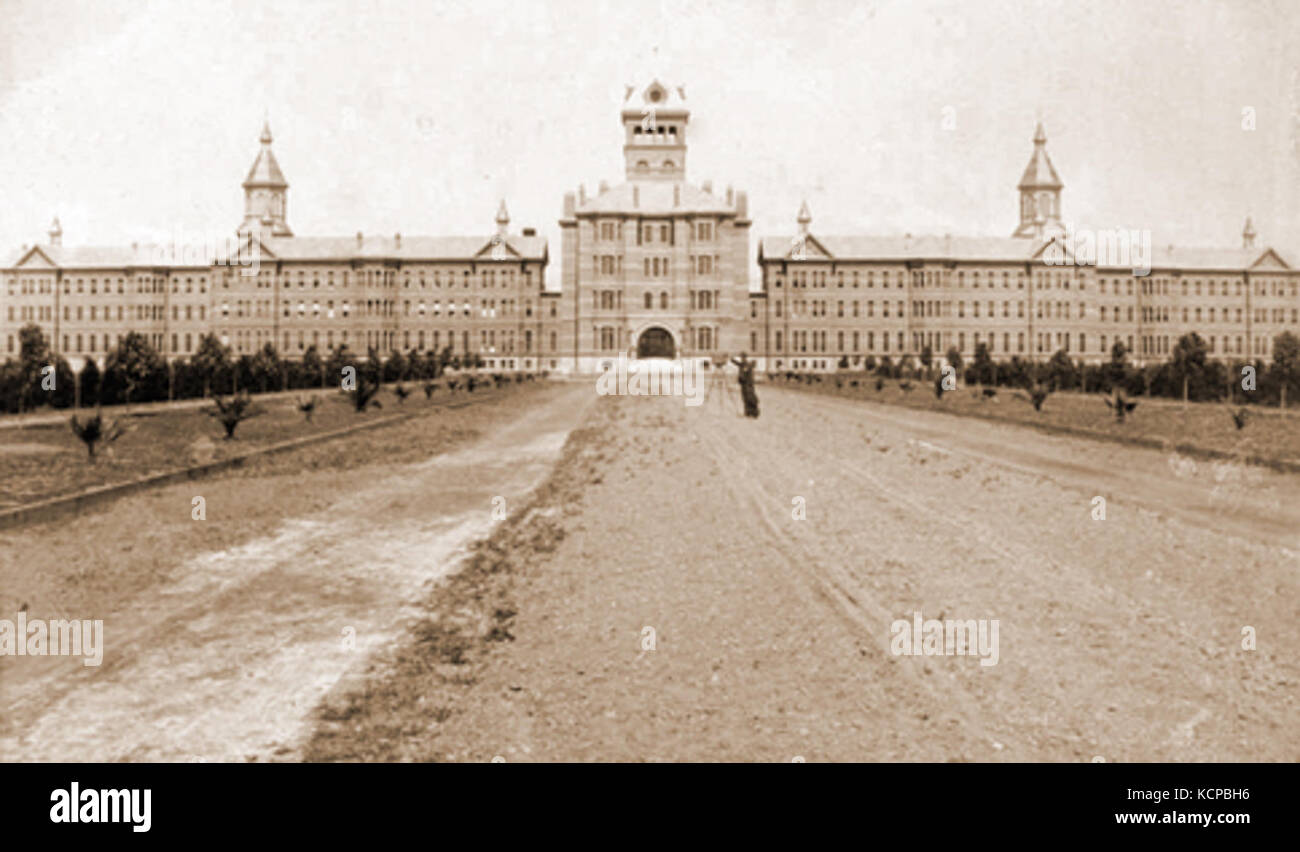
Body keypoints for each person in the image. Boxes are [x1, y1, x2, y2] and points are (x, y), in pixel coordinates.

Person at [730, 352, 760, 418]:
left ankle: (754, 413)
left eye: (743, 357)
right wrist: (731, 359)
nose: (742, 358)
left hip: (748, 384)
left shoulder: (747, 364)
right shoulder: (742, 364)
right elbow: (737, 363)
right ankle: (747, 413)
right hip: (744, 384)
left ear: (745, 358)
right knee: (745, 398)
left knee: (750, 398)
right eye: (741, 357)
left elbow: (747, 372)